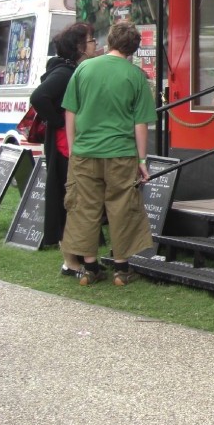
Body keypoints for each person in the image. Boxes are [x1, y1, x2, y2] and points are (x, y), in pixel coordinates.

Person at [61, 21, 157, 286]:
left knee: (84, 208)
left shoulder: (84, 68)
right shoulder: (136, 77)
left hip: (85, 152)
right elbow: (140, 124)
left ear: (110, 41)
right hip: (121, 153)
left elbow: (70, 111)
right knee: (122, 208)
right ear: (133, 49)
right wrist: (142, 160)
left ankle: (90, 268)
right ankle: (121, 269)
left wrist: (73, 147)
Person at [29, 22, 98, 275]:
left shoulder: (73, 70)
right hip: (63, 148)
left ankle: (78, 258)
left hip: (68, 144)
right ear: (79, 46)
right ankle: (70, 262)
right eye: (91, 40)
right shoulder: (65, 73)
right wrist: (58, 121)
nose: (95, 44)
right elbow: (39, 97)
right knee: (67, 200)